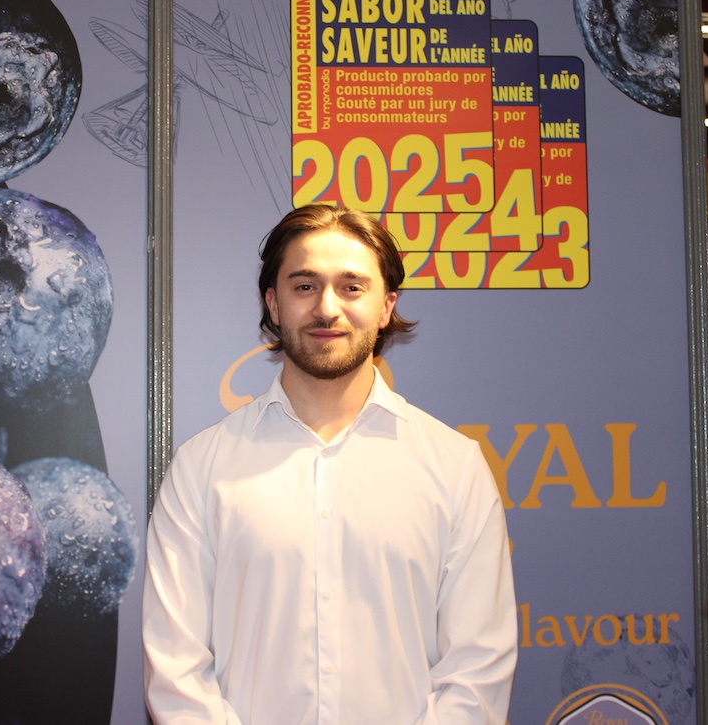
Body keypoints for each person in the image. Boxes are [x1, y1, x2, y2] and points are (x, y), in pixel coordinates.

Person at [143, 204, 517, 724]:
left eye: (351, 287)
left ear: (386, 306)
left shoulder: (455, 467)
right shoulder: (201, 469)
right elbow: (176, 670)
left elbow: (477, 669)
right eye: (304, 286)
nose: (327, 309)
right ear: (273, 304)